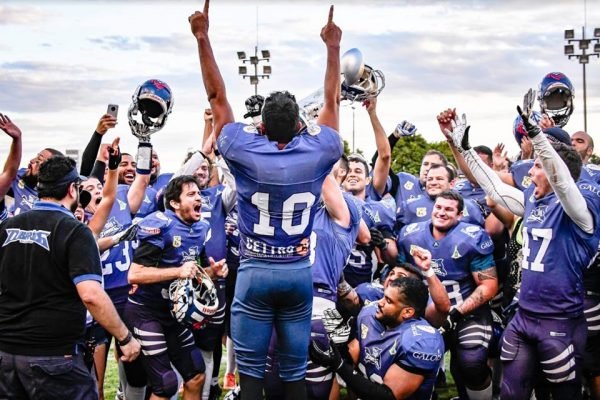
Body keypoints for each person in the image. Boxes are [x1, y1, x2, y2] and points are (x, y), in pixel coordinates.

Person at [189, 2, 343, 399]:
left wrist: (203, 38)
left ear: (260, 125)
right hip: (296, 271)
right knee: (294, 373)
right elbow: (332, 104)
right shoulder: (316, 151)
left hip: (255, 271)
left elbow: (216, 95)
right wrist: (332, 48)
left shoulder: (243, 147)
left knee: (251, 376)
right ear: (297, 125)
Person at [448, 106, 600, 399]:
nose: (529, 172)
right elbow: (493, 187)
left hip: (561, 320)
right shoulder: (535, 200)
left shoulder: (580, 210)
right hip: (524, 315)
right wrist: (465, 149)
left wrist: (538, 137)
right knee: (511, 392)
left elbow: (564, 185)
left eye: (537, 166)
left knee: (563, 394)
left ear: (554, 171)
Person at [0, 155, 140, 400]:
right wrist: (125, 337)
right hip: (54, 358)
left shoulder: (8, 226)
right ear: (72, 189)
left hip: (6, 356)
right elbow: (91, 295)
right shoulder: (74, 231)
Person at [124, 175, 227, 400]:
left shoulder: (201, 228)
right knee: (165, 384)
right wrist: (176, 272)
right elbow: (135, 274)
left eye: (199, 194)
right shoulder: (161, 224)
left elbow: (193, 270)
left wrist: (213, 272)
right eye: (191, 194)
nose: (198, 197)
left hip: (173, 313)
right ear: (174, 203)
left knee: (197, 375)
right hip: (145, 312)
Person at [397, 190, 498, 400]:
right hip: (428, 314)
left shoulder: (472, 237)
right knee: (413, 360)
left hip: (467, 312)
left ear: (460, 215)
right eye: (439, 207)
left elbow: (488, 284)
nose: (442, 213)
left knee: (471, 362)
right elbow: (402, 274)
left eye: (449, 209)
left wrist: (458, 312)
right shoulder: (411, 235)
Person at [310, 277, 445, 400]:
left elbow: (387, 396)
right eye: (383, 296)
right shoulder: (370, 313)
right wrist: (339, 346)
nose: (379, 303)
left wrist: (339, 365)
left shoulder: (422, 341)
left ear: (407, 312)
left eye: (388, 301)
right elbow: (354, 356)